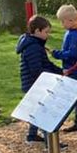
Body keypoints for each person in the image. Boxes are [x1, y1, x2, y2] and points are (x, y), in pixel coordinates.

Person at [17, 15, 64, 144]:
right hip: (35, 83)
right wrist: (53, 77)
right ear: (37, 31)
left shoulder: (35, 44)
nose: (48, 35)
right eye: (46, 32)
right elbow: (37, 69)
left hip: (33, 82)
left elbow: (46, 63)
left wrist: (60, 71)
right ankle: (50, 141)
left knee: (37, 110)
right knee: (44, 111)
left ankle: (32, 135)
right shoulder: (33, 47)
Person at [52, 4, 77, 134]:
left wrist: (58, 54)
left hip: (75, 70)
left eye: (63, 21)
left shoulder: (74, 35)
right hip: (71, 69)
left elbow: (72, 53)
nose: (61, 24)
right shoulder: (70, 33)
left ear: (71, 20)